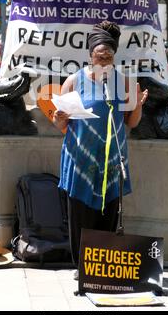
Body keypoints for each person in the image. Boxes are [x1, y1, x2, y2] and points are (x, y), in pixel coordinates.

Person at [53, 21, 148, 270]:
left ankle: (102, 267)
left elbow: (132, 123)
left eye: (109, 57)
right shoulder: (74, 81)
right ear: (90, 55)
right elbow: (62, 125)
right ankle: (81, 268)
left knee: (107, 215)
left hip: (111, 161)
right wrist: (58, 119)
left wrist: (137, 106)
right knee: (80, 217)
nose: (104, 61)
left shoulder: (123, 82)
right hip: (79, 159)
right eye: (100, 56)